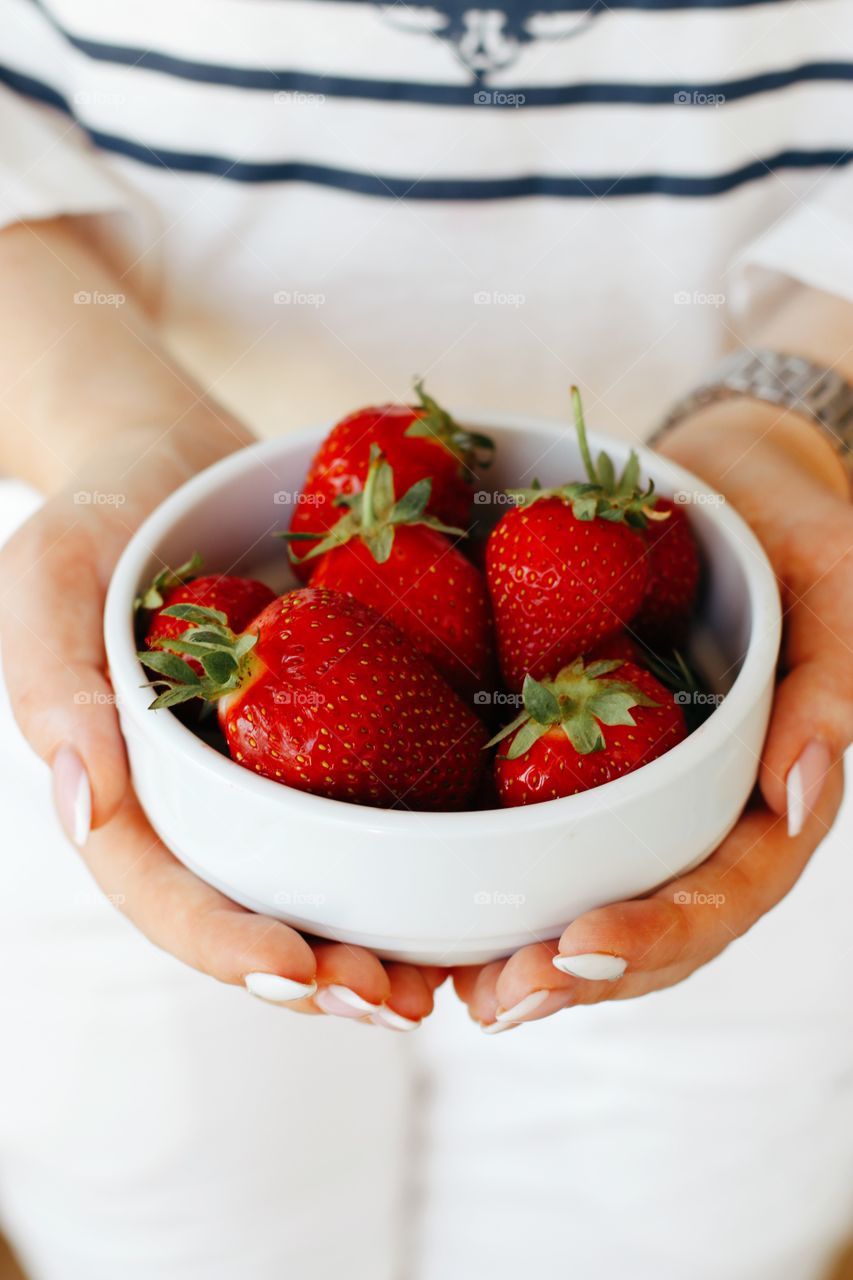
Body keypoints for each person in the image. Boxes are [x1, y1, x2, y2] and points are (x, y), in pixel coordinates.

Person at [0, 2, 852, 1277]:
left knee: (675, 1227)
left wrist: (795, 421)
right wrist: (100, 423)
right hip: (153, 626)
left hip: (741, 660)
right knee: (178, 1223)